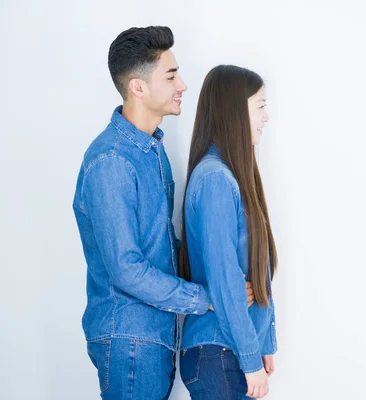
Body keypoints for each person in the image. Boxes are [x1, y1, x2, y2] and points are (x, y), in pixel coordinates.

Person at [72, 28, 253, 399]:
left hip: (154, 336)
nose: (182, 85)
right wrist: (208, 297)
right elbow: (127, 268)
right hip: (130, 338)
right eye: (171, 76)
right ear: (137, 87)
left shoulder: (151, 153)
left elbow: (160, 245)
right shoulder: (111, 161)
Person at [178, 65, 278, 399]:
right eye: (260, 106)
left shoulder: (233, 177)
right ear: (235, 111)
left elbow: (256, 268)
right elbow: (225, 278)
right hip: (218, 351)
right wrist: (250, 359)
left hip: (228, 351)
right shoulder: (216, 181)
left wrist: (263, 342)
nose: (266, 118)